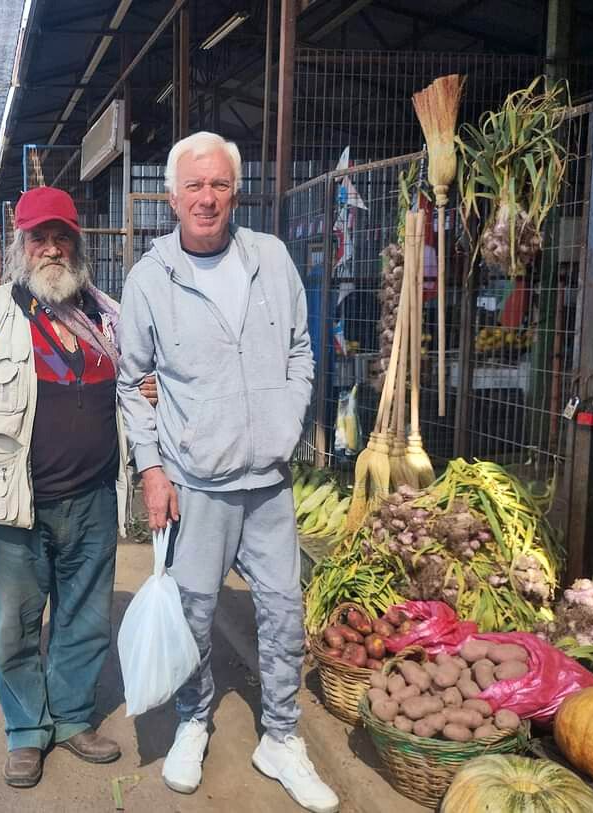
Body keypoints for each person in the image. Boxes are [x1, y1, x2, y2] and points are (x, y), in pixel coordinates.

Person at [116, 132, 339, 813]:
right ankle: (193, 717)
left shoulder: (270, 258)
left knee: (282, 611)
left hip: (267, 481)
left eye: (218, 185)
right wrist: (152, 469)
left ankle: (280, 735)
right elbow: (133, 382)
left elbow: (303, 349)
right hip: (198, 483)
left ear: (233, 191)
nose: (206, 198)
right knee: (194, 612)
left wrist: (288, 418)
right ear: (174, 196)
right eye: (194, 186)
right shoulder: (151, 277)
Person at [0, 186, 133, 789]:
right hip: (14, 504)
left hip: (94, 498)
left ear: (77, 244)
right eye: (39, 238)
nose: (51, 248)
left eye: (61, 237)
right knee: (16, 622)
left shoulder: (105, 313)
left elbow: (136, 387)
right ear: (22, 247)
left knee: (86, 617)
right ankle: (25, 730)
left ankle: (71, 717)